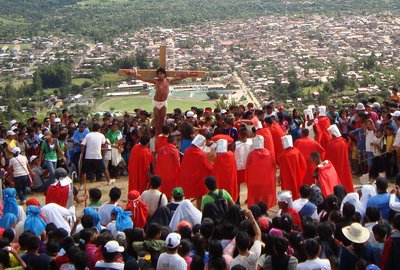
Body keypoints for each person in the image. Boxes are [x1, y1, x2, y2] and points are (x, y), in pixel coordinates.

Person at [127, 67, 191, 135]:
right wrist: (136, 74)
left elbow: (179, 78)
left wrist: (187, 75)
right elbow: (144, 79)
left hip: (163, 102)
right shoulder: (156, 81)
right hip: (156, 102)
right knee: (157, 120)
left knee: (163, 119)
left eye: (161, 74)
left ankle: (163, 134)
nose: (159, 75)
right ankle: (157, 134)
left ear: (164, 74)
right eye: (158, 74)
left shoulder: (168, 80)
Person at [178, 134, 213, 208]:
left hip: (187, 177)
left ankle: (186, 208)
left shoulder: (187, 151)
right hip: (197, 178)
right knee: (199, 195)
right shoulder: (201, 154)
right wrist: (214, 168)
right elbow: (207, 166)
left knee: (187, 194)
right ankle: (198, 209)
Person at [245, 135, 277, 208]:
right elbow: (274, 167)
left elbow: (247, 168)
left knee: (256, 196)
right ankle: (265, 208)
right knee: (265, 196)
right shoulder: (270, 153)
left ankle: (256, 209)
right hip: (267, 181)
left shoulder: (251, 155)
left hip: (254, 181)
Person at [326, 125, 354, 193]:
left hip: (334, 166)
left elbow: (327, 156)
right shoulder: (343, 141)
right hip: (344, 164)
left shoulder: (330, 144)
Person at [277, 135, 306, 200]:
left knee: (288, 192)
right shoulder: (296, 152)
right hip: (297, 175)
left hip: (287, 178)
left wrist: (279, 177)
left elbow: (281, 168)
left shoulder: (282, 156)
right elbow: (303, 164)